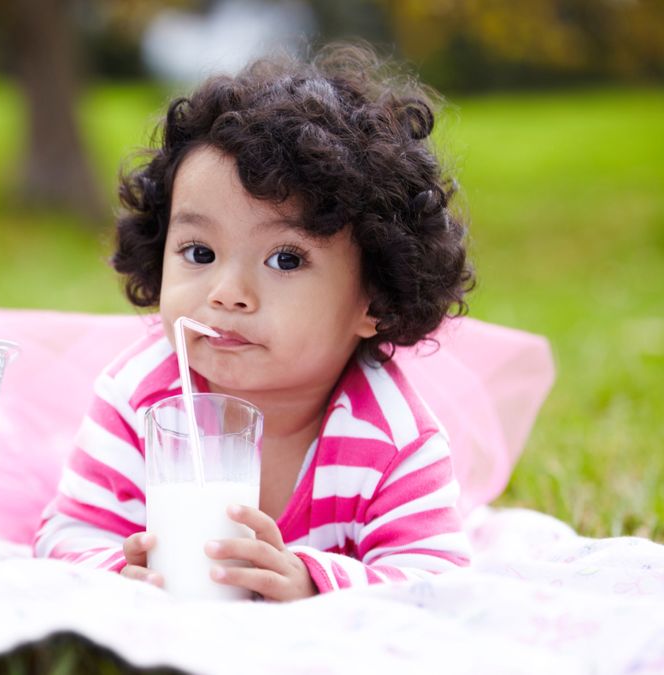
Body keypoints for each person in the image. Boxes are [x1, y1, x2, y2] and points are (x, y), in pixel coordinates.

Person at [33, 43, 475, 601]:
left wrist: (312, 583)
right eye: (198, 252)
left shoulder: (391, 438)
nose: (227, 294)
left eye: (285, 259)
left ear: (375, 298)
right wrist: (119, 573)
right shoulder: (138, 399)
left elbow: (438, 578)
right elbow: (64, 536)